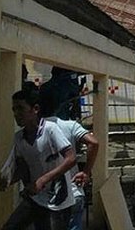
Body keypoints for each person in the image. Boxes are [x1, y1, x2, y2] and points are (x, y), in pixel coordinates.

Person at [0, 87, 76, 230]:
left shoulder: (50, 129)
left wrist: (42, 180)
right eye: (14, 109)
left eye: (20, 108)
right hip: (35, 198)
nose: (16, 114)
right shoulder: (19, 138)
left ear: (35, 109)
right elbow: (23, 168)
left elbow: (71, 158)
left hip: (57, 200)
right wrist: (8, 180)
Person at [41, 92, 99, 230]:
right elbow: (94, 143)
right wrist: (86, 172)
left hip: (47, 199)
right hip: (74, 193)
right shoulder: (70, 125)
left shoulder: (35, 131)